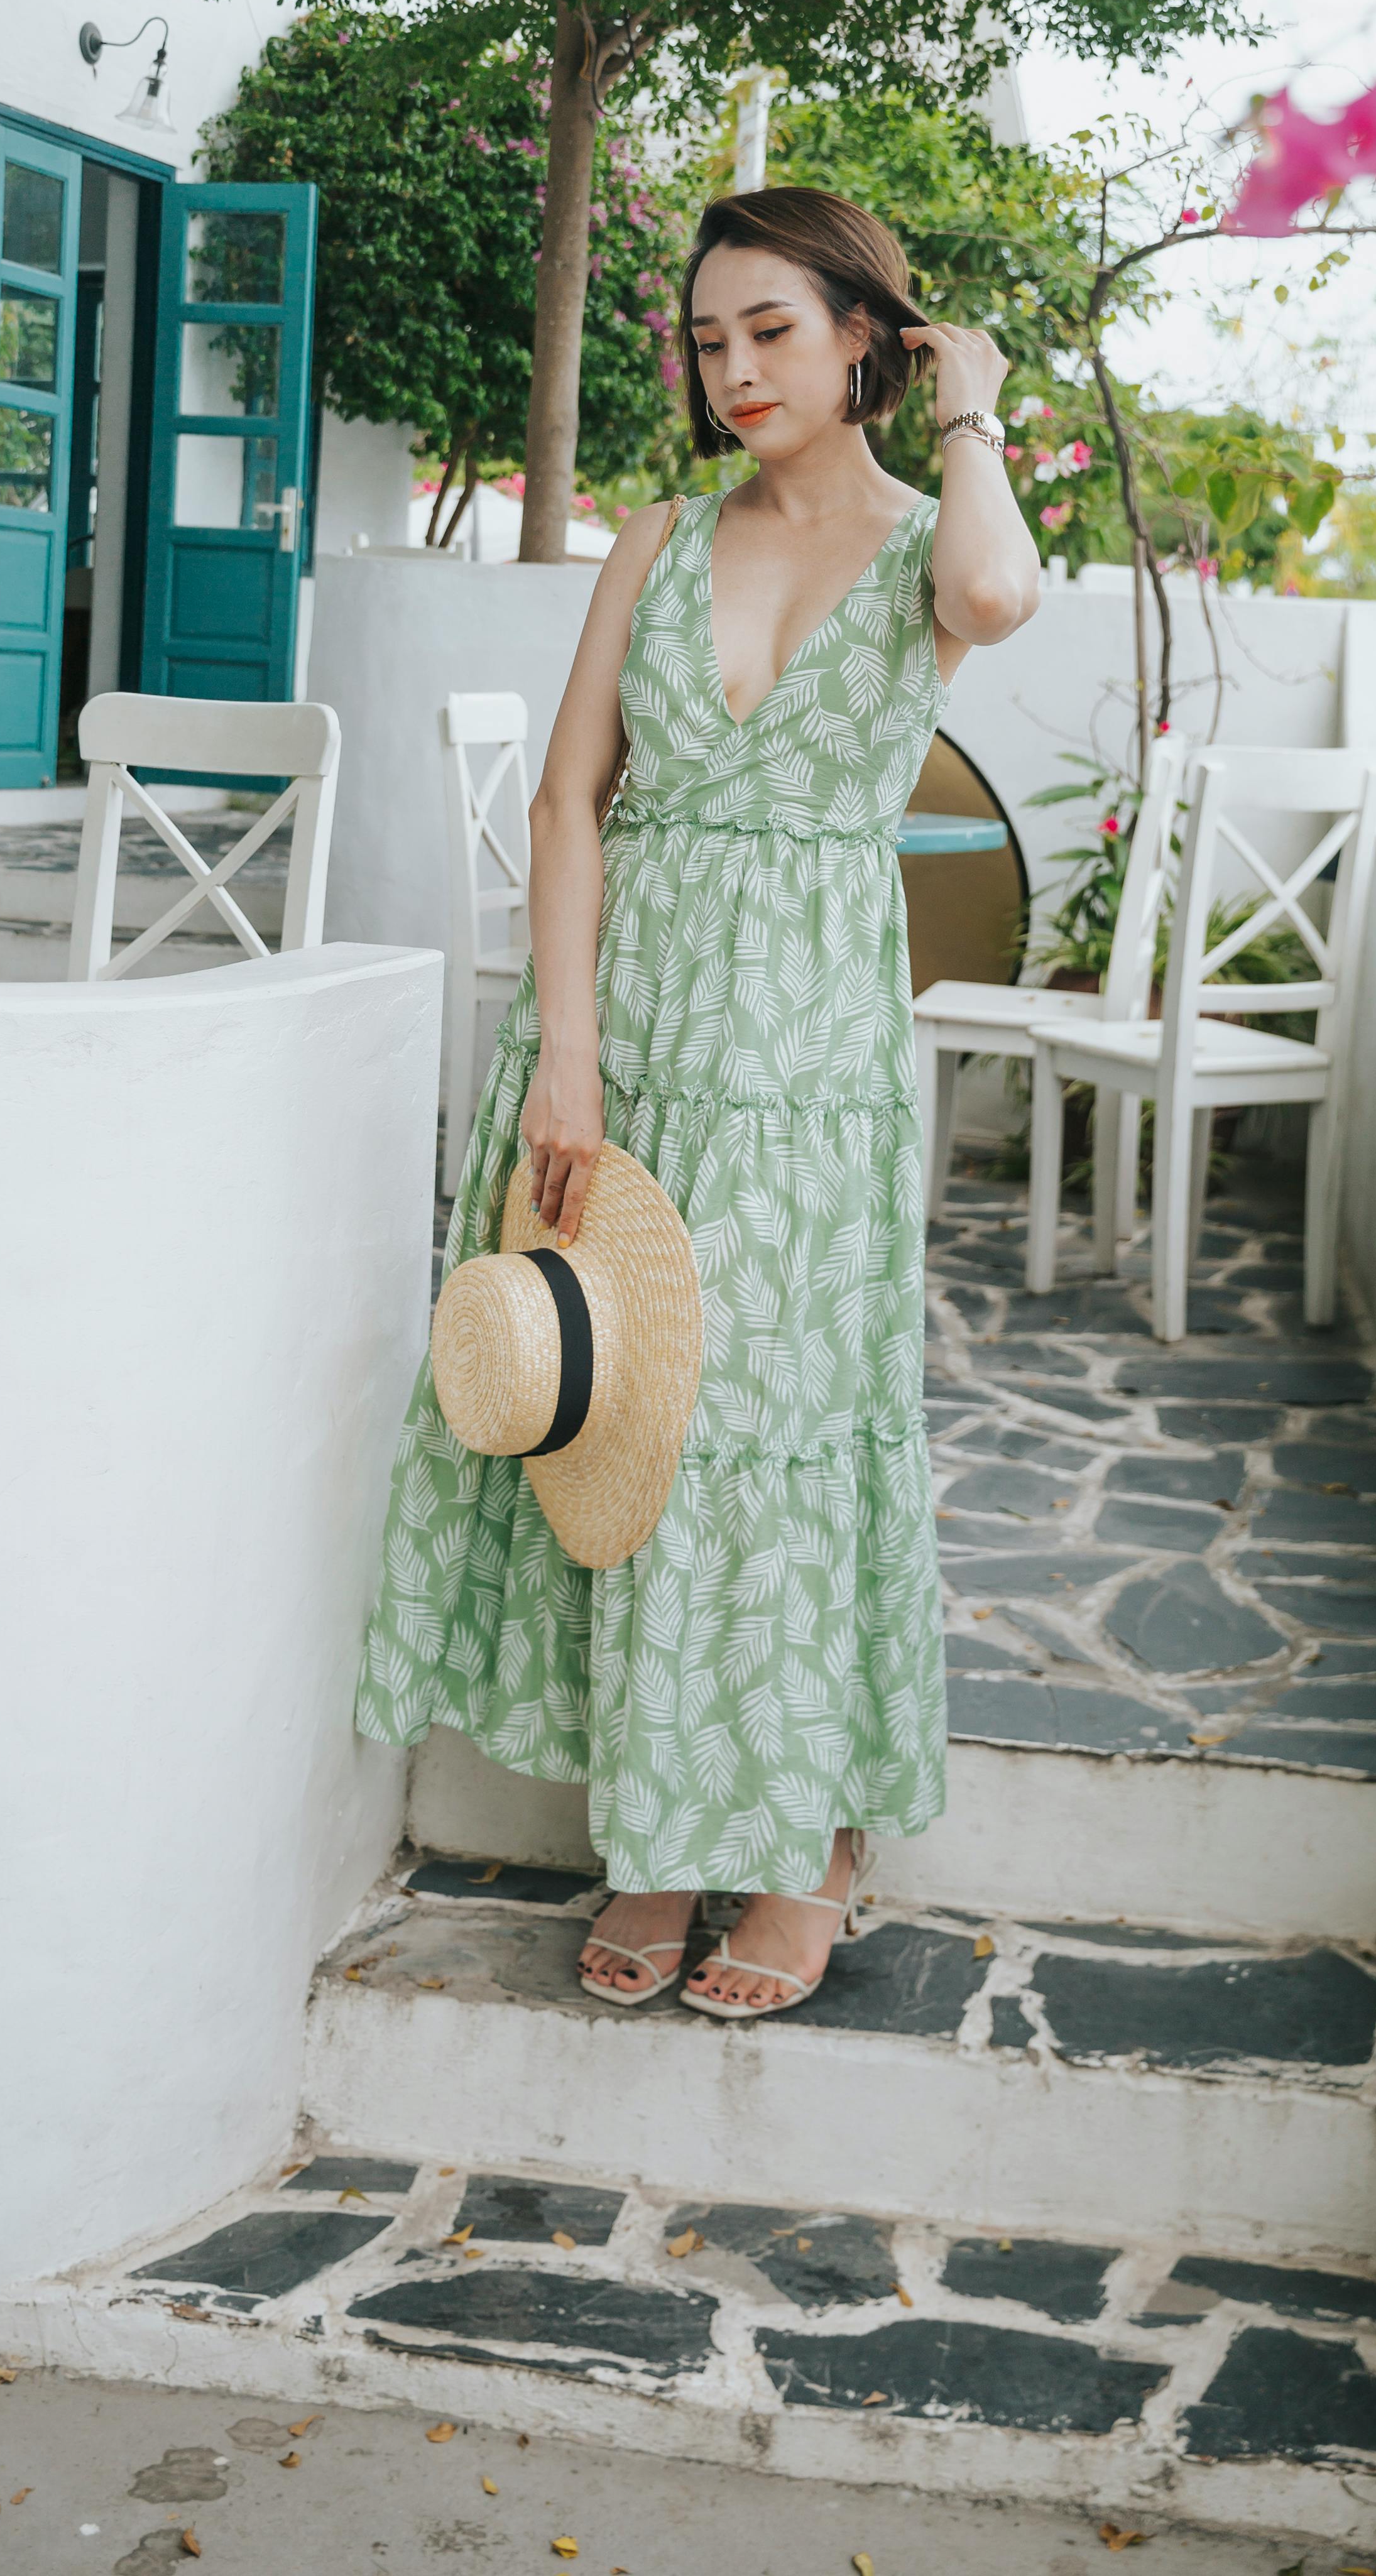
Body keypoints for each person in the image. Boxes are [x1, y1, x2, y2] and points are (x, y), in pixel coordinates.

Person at [356, 187, 1047, 2016]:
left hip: (807, 1064)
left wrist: (968, 401)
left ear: (862, 342)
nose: (733, 368)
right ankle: (659, 1833)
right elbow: (571, 798)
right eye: (710, 335)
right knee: (626, 1427)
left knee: (769, 1434)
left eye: (774, 331)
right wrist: (562, 1044)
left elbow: (997, 594)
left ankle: (806, 1834)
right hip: (628, 1040)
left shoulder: (922, 548)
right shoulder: (657, 535)